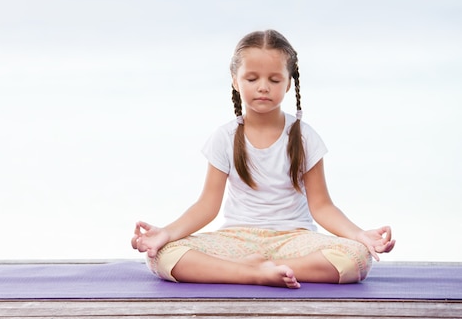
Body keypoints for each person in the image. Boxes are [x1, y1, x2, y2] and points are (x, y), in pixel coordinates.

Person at [131, 29, 395, 289]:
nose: (263, 87)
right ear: (236, 80)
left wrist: (360, 235)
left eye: (274, 80)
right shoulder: (224, 137)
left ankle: (256, 268)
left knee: (356, 258)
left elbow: (323, 207)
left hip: (293, 240)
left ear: (289, 83)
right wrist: (164, 234)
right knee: (164, 255)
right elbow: (206, 206)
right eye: (252, 78)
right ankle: (252, 273)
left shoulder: (304, 137)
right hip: (236, 239)